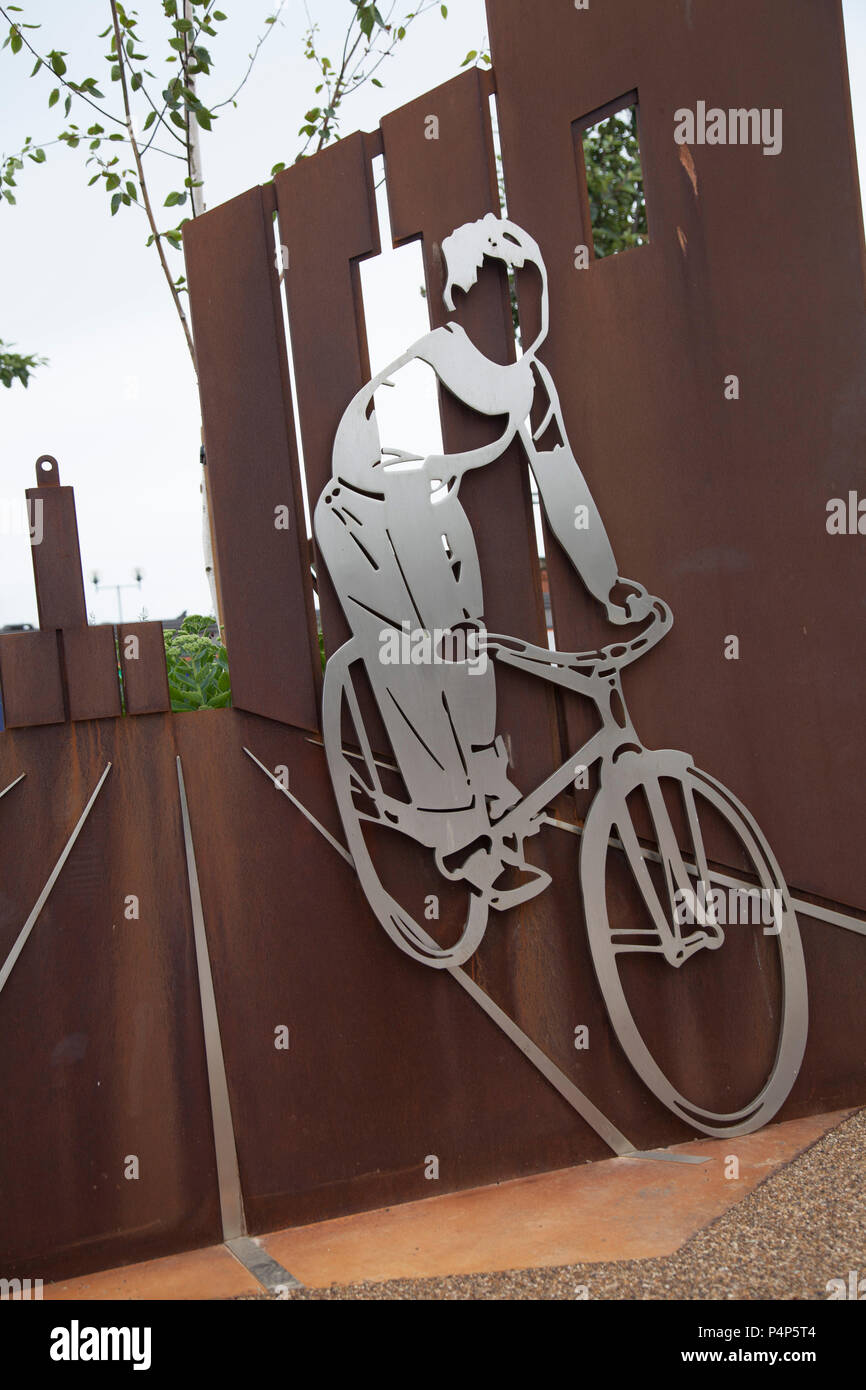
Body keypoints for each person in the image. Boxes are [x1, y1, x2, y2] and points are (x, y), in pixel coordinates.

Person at [314, 213, 650, 892]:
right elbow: (399, 481)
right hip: (363, 512)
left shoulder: (531, 386)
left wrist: (607, 583)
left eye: (526, 289)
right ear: (462, 295)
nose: (515, 309)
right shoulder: (432, 362)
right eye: (494, 289)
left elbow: (562, 483)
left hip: (430, 505)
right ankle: (455, 828)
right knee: (413, 653)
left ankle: (484, 775)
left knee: (469, 643)